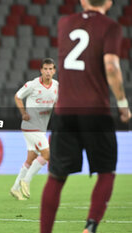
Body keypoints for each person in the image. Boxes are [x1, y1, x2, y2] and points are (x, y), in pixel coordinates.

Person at [40, 0, 131, 233]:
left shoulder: (64, 23)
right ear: (109, 2)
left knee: (56, 176)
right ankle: (90, 227)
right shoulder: (111, 27)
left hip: (64, 110)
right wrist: (122, 104)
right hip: (96, 111)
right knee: (106, 172)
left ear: (82, 1)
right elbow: (111, 66)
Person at [10, 58, 58, 200]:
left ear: (54, 71)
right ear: (41, 70)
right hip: (30, 126)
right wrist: (23, 112)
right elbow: (18, 97)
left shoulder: (56, 86)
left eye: (50, 69)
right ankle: (26, 180)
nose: (48, 72)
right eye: (45, 69)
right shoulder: (32, 85)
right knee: (47, 154)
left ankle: (15, 188)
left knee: (30, 159)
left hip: (41, 128)